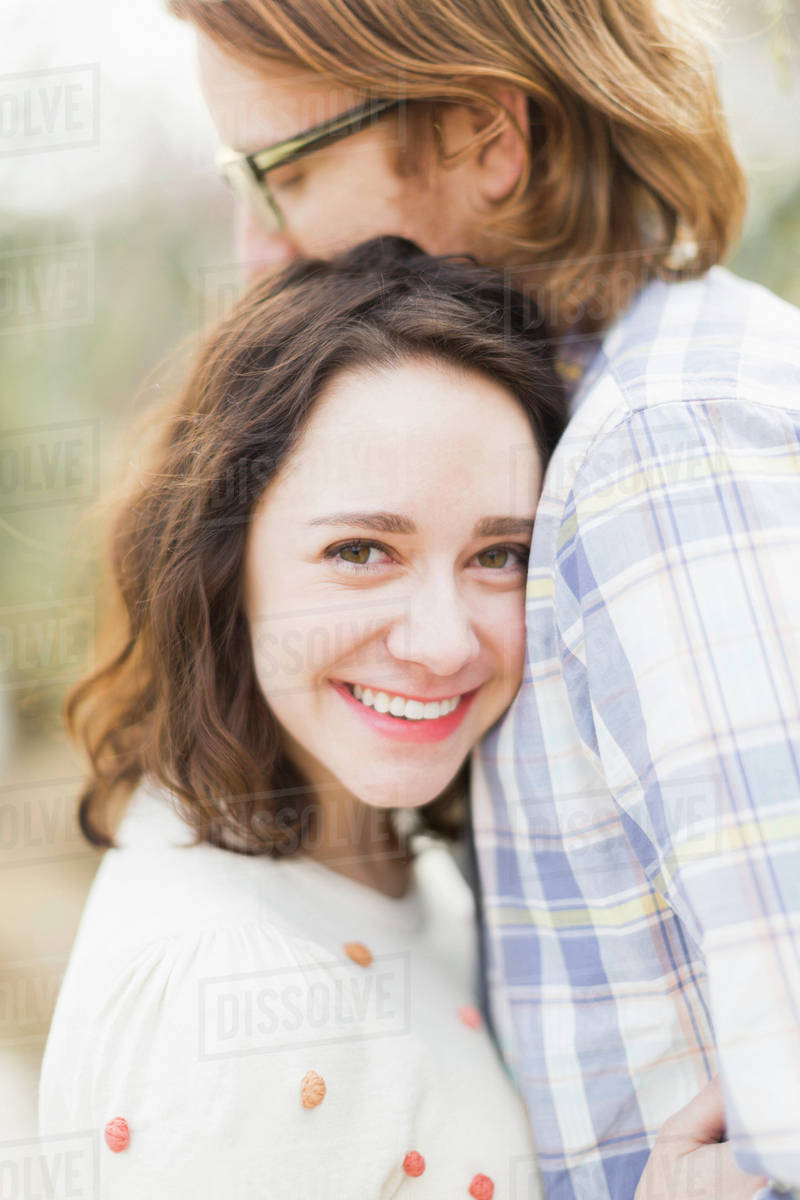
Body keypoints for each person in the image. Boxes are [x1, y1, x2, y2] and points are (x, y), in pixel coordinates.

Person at [163, 2, 800, 1198]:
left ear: (480, 137)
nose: (257, 247)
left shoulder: (663, 458)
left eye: (280, 173)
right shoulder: (591, 427)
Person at [38, 237, 568, 1198]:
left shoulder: (401, 861)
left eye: (501, 555)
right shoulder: (232, 995)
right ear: (222, 562)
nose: (444, 644)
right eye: (363, 551)